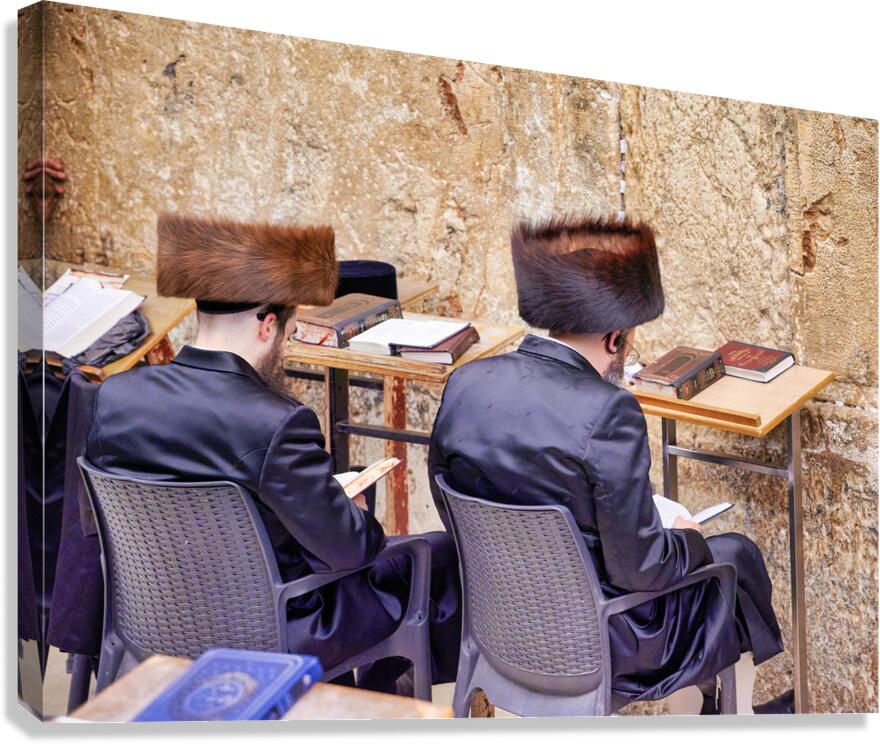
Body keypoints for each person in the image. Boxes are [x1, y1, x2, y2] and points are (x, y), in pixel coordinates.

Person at [85, 213, 460, 693]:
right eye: (289, 332)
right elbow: (351, 551)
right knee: (434, 557)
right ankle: (384, 706)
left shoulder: (113, 398)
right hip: (270, 632)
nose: (285, 345)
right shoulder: (277, 421)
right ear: (267, 325)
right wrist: (355, 509)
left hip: (151, 619)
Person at [428, 216, 788, 714]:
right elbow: (640, 567)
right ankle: (734, 717)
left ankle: (710, 712)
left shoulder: (467, 383)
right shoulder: (609, 411)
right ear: (616, 339)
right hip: (602, 642)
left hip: (500, 627)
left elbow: (451, 505)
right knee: (733, 556)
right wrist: (687, 538)